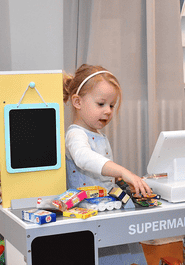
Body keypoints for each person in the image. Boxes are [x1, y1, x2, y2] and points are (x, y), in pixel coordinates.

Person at [63, 64, 151, 197]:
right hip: (85, 208)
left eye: (111, 105)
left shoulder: (99, 136)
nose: (108, 111)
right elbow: (83, 157)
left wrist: (123, 182)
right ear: (77, 102)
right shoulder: (75, 134)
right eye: (101, 104)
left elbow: (100, 174)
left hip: (102, 203)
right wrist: (122, 171)